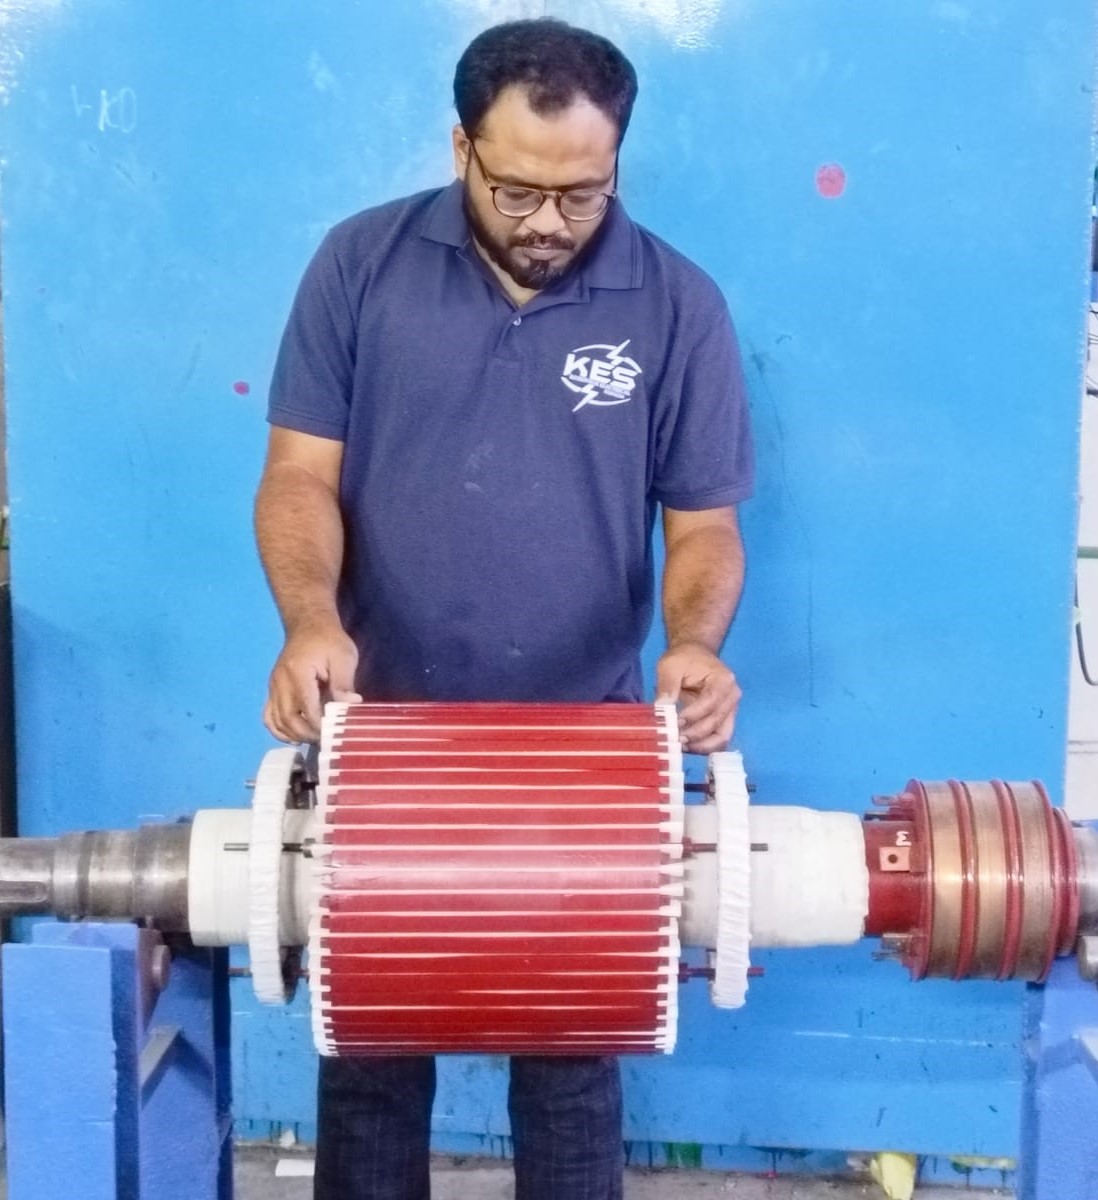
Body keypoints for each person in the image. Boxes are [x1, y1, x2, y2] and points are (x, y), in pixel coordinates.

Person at [255, 17, 754, 1200]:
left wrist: (694, 645)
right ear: (461, 147)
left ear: (616, 160)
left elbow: (704, 529)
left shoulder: (677, 304)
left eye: (582, 195)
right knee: (373, 1052)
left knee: (570, 1055)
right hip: (384, 736)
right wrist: (310, 620)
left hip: (584, 751)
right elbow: (298, 477)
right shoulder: (359, 266)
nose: (548, 223)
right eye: (518, 189)